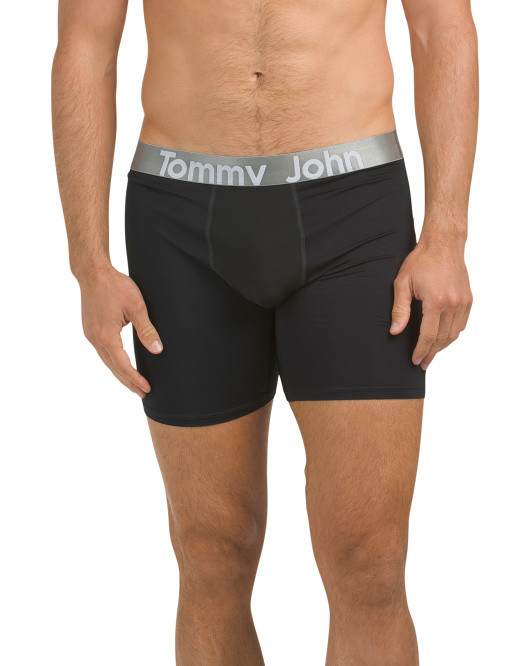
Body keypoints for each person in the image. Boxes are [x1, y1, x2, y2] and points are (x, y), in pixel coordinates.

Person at [52, 0, 477, 662]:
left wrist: (447, 232)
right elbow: (85, 44)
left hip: (354, 211)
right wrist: (89, 264)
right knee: (211, 554)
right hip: (181, 218)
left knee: (370, 563)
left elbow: (441, 26)